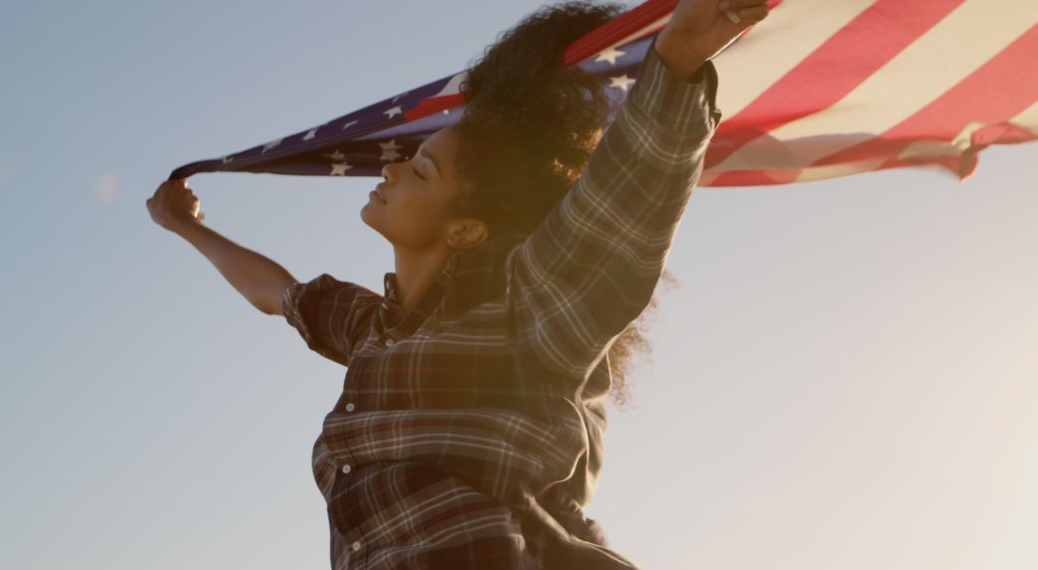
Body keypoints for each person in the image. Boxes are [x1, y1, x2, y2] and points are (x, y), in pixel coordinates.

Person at [147, 0, 769, 567]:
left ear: (467, 229)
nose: (391, 167)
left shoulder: (522, 313)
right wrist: (183, 227)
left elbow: (616, 213)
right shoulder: (373, 331)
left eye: (421, 170)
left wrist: (678, 58)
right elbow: (276, 293)